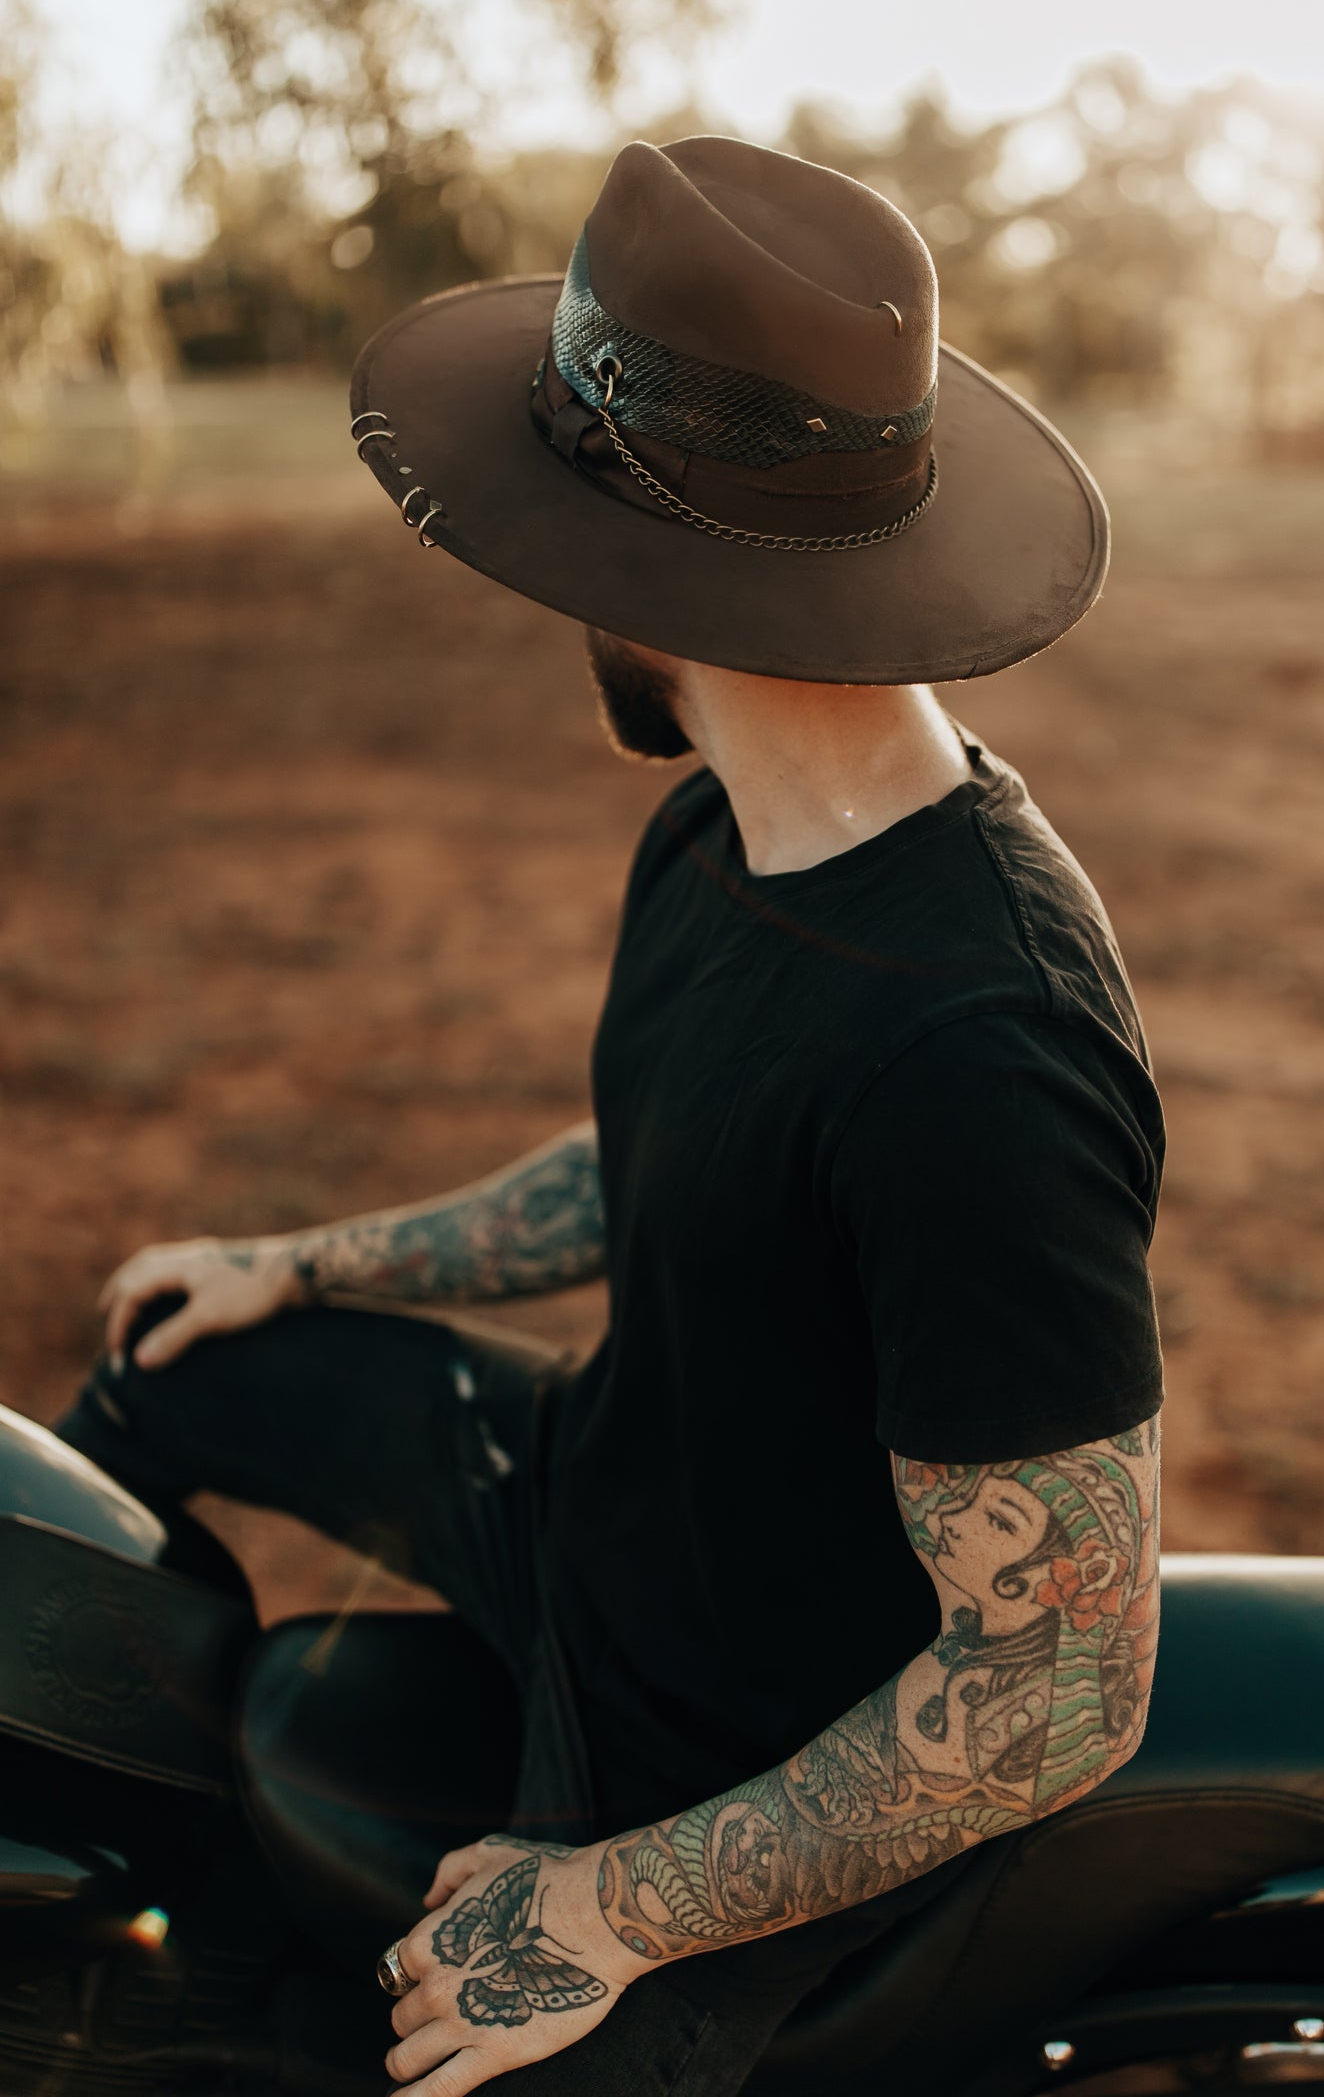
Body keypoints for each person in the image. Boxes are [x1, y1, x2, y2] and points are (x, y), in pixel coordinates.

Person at [61, 136, 1165, 2096]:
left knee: (430, 2059)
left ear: (663, 570)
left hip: (727, 1746)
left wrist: (602, 1910)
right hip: (584, 1499)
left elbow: (1054, 1693)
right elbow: (671, 1162)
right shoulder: (723, 823)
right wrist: (294, 1266)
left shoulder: (983, 1046)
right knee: (157, 1366)